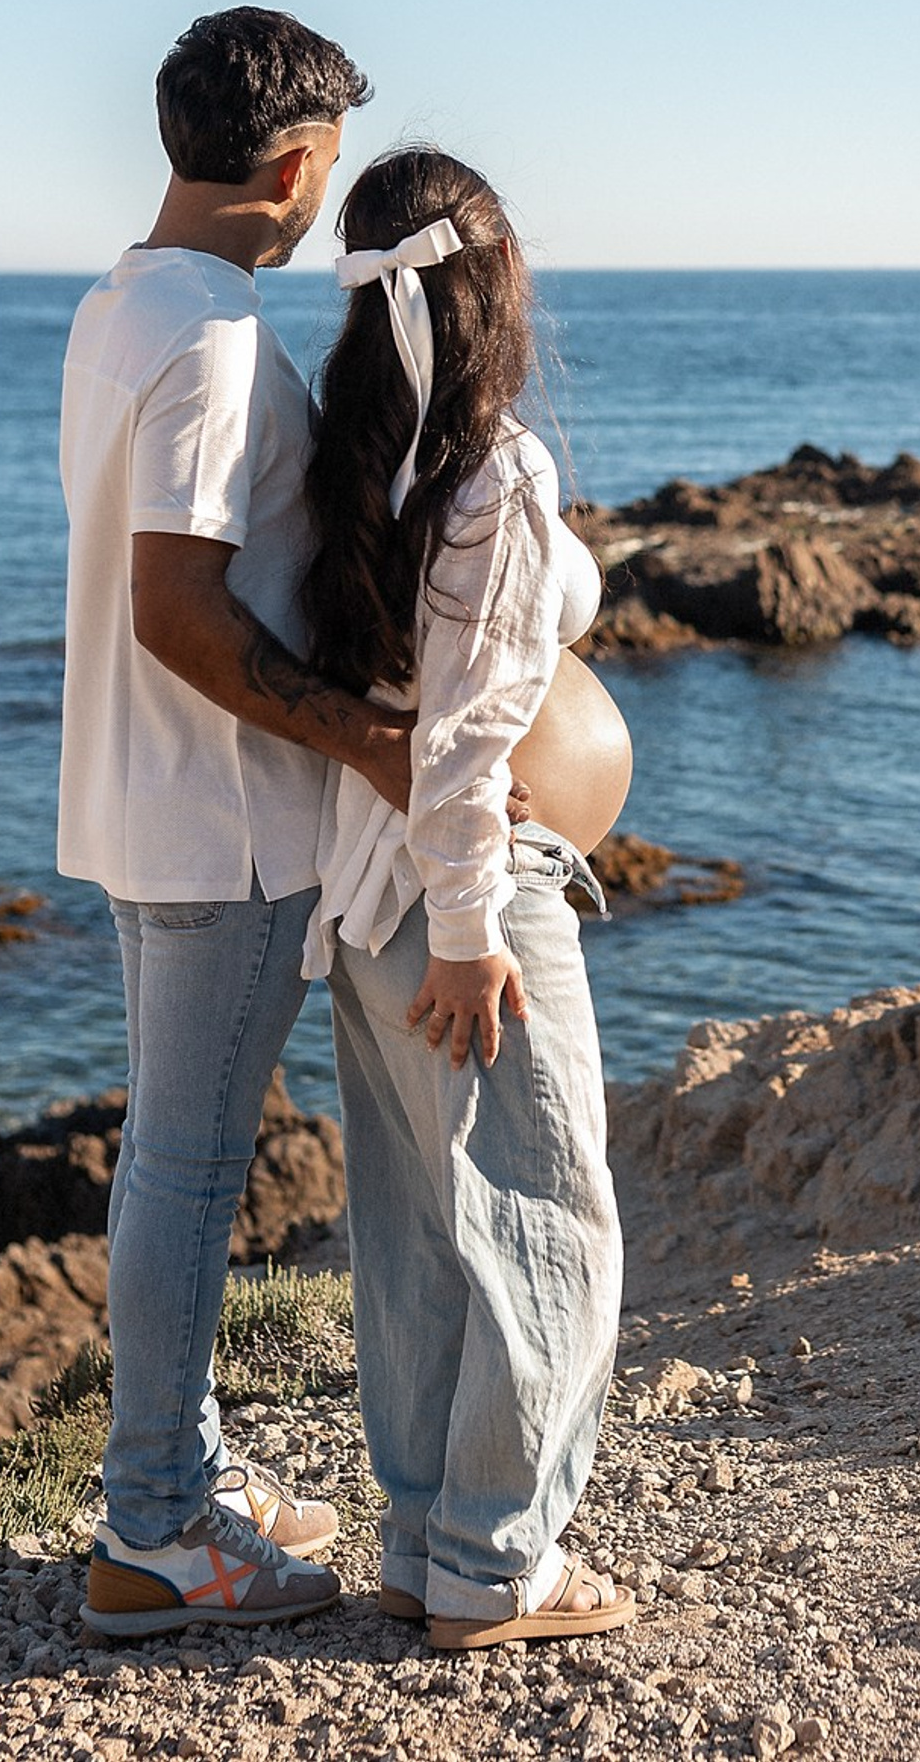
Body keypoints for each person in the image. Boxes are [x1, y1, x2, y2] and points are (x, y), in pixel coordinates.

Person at [59, 7, 409, 1639]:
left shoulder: (123, 303)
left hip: (144, 803)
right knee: (191, 1176)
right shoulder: (209, 337)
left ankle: (179, 1465)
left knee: (165, 1160)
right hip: (227, 825)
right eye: (327, 169)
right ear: (291, 163)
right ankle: (156, 1532)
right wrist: (370, 742)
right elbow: (178, 610)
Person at [301, 144, 639, 1651]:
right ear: (493, 286)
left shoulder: (342, 452)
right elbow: (463, 741)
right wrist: (473, 936)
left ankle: (424, 1539)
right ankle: (501, 1566)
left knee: (424, 1233)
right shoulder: (497, 471)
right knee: (550, 1213)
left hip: (357, 901)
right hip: (464, 901)